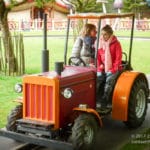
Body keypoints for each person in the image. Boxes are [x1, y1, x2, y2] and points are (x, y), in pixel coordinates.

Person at [97, 24, 122, 112]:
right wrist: (100, 66)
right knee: (97, 79)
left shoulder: (116, 44)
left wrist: (113, 69)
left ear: (110, 34)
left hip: (114, 67)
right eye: (102, 34)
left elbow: (118, 58)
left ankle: (104, 100)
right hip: (103, 67)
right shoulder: (100, 43)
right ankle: (94, 99)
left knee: (109, 81)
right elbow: (98, 57)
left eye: (105, 34)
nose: (103, 36)